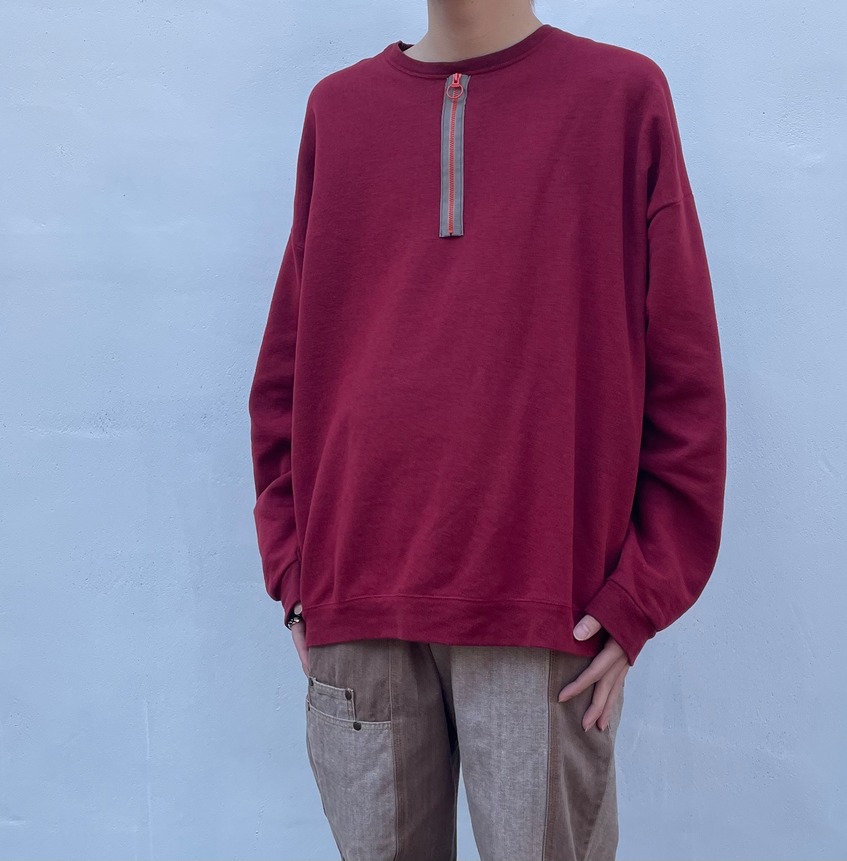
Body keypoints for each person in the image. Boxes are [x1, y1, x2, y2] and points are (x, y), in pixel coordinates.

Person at [247, 1, 727, 858]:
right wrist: (294, 575)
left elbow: (685, 379)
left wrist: (640, 594)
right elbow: (287, 370)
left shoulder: (622, 98)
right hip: (359, 609)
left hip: (543, 607)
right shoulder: (339, 111)